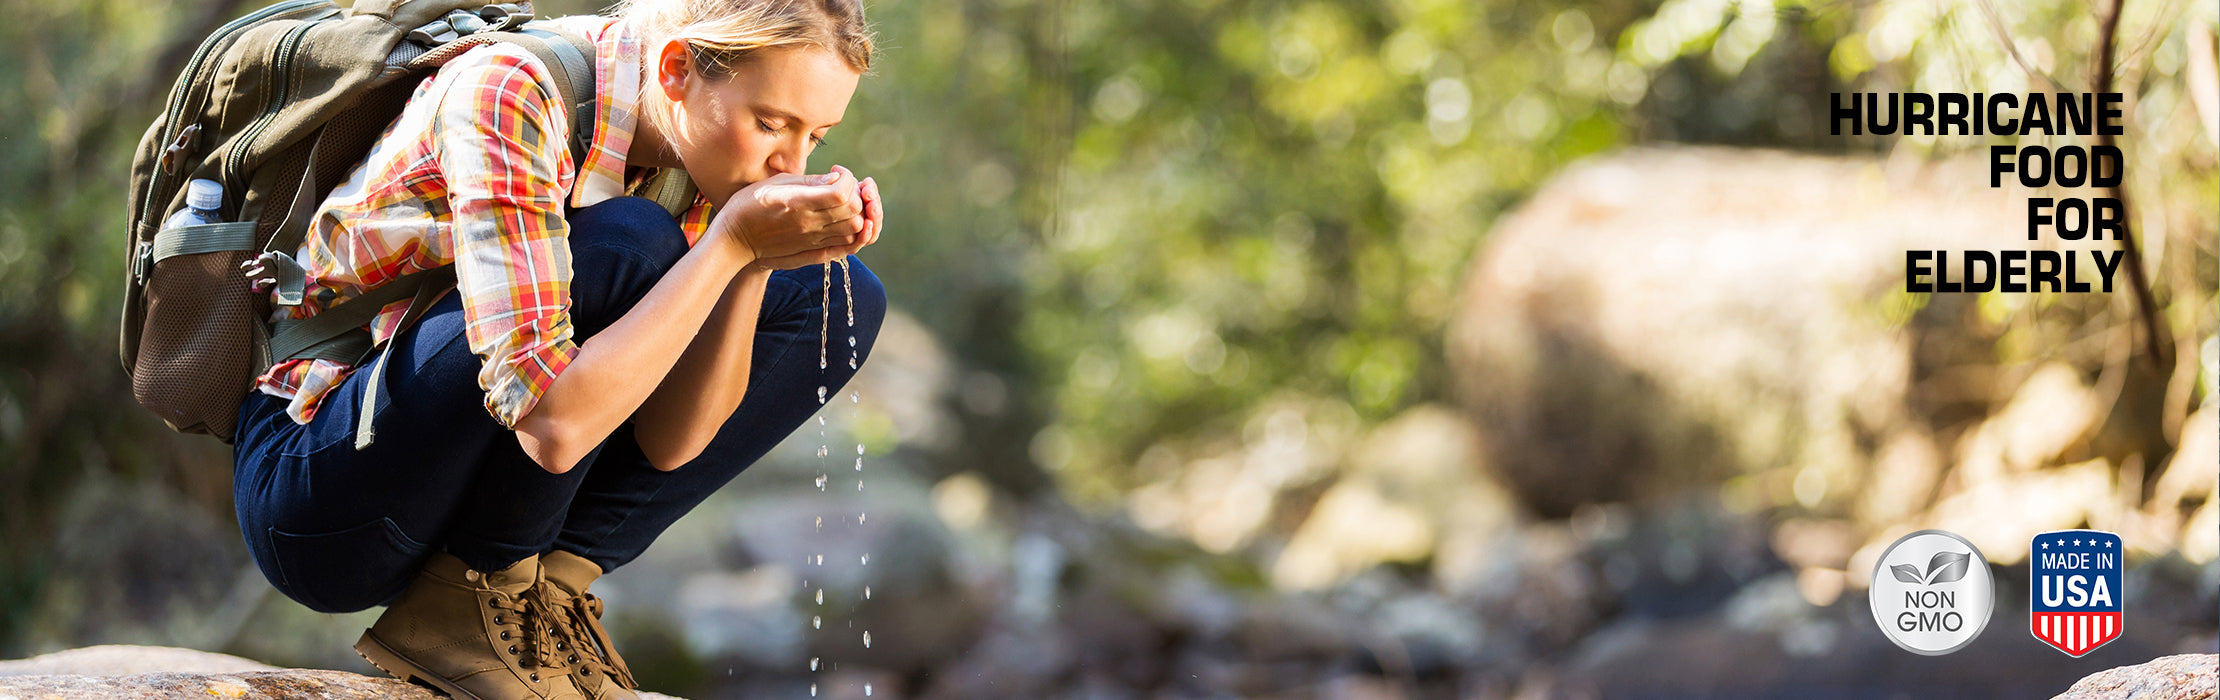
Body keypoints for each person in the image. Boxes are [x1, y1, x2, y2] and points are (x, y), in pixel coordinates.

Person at [227, 0, 884, 698]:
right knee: (635, 242)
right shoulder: (513, 89)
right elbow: (554, 427)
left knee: (835, 295)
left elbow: (670, 445)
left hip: (452, 481)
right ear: (676, 70)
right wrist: (729, 243)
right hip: (321, 490)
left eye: (816, 136)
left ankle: (542, 594)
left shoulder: (697, 151)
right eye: (772, 125)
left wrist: (752, 263)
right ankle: (485, 584)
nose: (791, 163)